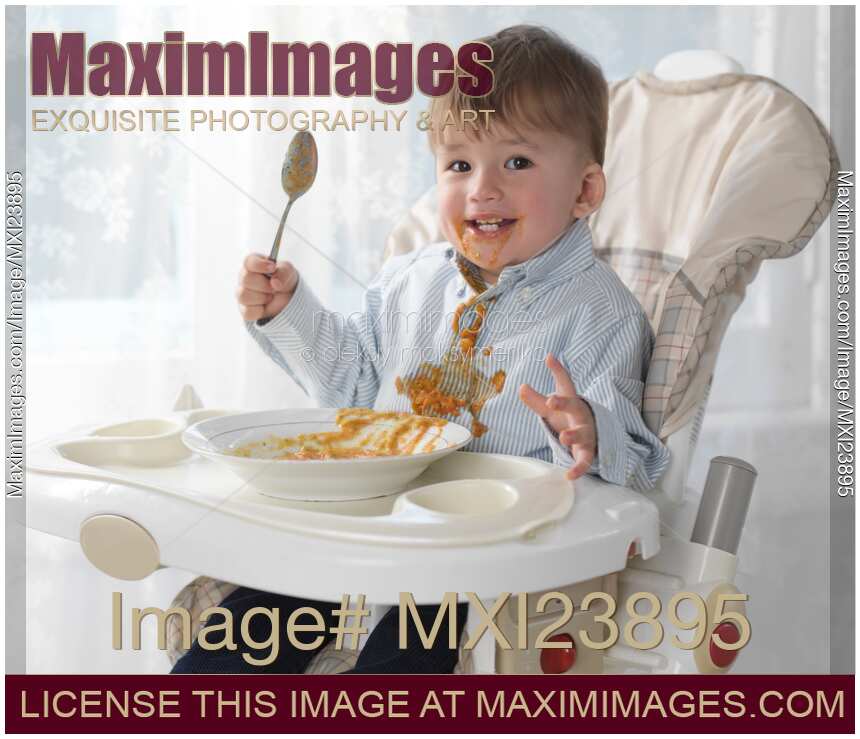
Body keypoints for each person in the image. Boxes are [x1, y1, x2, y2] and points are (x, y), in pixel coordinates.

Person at [174, 24, 669, 675]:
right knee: (231, 646)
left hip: (475, 567)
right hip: (359, 534)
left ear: (585, 191)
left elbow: (630, 455)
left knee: (402, 667)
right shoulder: (414, 279)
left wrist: (587, 428)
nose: (481, 189)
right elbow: (353, 391)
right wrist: (289, 311)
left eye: (516, 162)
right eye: (459, 164)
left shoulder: (600, 312)